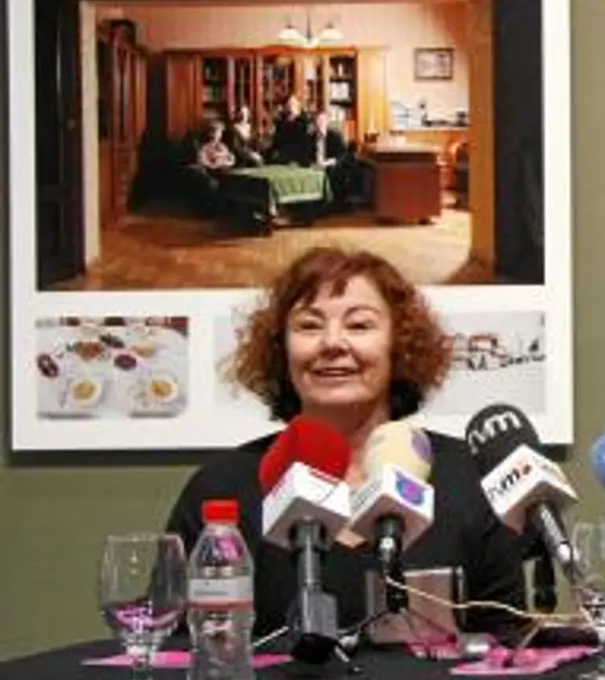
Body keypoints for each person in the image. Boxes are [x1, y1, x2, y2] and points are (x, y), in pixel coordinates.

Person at [167, 247, 527, 641]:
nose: (332, 343)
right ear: (281, 350)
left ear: (399, 345)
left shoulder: (469, 477)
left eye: (359, 326)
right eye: (308, 326)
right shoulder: (221, 486)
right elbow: (177, 645)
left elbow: (506, 644)